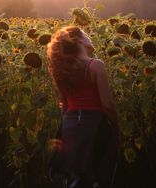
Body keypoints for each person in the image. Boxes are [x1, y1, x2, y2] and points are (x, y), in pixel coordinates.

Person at [47, 26, 120, 188]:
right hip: (94, 125)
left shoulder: (63, 70)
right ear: (79, 40)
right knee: (98, 176)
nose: (89, 36)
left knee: (75, 178)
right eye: (85, 34)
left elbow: (64, 106)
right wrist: (115, 126)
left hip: (69, 125)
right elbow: (107, 105)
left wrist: (67, 129)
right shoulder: (96, 66)